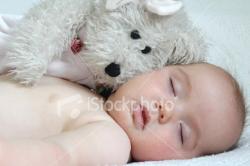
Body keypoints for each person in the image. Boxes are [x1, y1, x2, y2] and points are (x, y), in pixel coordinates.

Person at [0, 63, 245, 166]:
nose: (166, 109)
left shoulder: (112, 140)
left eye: (182, 132)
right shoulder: (87, 79)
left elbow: (57, 156)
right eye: (172, 87)